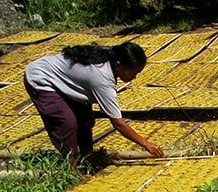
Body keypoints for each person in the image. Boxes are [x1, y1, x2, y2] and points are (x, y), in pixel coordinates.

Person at [24, 41, 164, 170]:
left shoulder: (108, 62)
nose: (134, 77)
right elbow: (118, 123)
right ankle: (71, 168)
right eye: (133, 73)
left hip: (62, 80)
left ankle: (87, 158)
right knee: (67, 122)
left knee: (85, 119)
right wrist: (146, 144)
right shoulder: (102, 78)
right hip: (41, 77)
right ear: (119, 64)